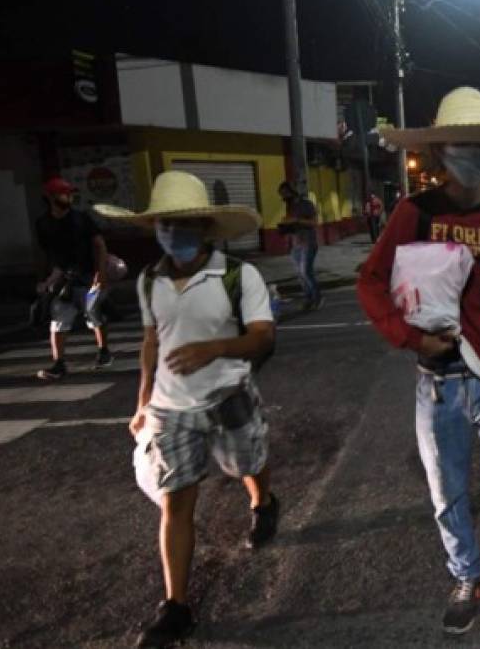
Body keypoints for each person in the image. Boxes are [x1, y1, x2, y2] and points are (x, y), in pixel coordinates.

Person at [357, 86, 480, 636]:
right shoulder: (413, 213)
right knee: (447, 493)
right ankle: (465, 574)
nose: (470, 153)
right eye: (460, 144)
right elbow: (371, 282)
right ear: (442, 150)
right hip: (438, 380)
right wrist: (409, 338)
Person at [94, 171, 280, 648]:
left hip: (229, 394)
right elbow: (152, 340)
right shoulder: (149, 281)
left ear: (204, 226)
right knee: (176, 500)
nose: (172, 233)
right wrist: (142, 399)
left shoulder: (240, 275)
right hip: (171, 407)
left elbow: (263, 336)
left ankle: (262, 501)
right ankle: (176, 606)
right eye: (164, 224)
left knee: (247, 464)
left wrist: (215, 348)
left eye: (183, 224)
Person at [35, 176, 113, 379]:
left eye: (70, 193)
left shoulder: (81, 219)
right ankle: (59, 363)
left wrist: (100, 274)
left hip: (88, 276)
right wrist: (43, 280)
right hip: (64, 280)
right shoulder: (43, 224)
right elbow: (45, 254)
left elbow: (99, 245)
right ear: (51, 197)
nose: (68, 197)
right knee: (59, 319)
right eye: (64, 193)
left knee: (94, 314)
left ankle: (104, 351)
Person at [278, 181, 322, 311]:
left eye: (285, 194)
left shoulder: (306, 204)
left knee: (306, 272)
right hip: (295, 244)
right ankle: (308, 298)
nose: (283, 198)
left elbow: (314, 222)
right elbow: (293, 225)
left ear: (292, 192)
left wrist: (296, 220)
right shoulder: (290, 207)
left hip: (308, 243)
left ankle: (317, 298)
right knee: (300, 275)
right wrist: (285, 226)